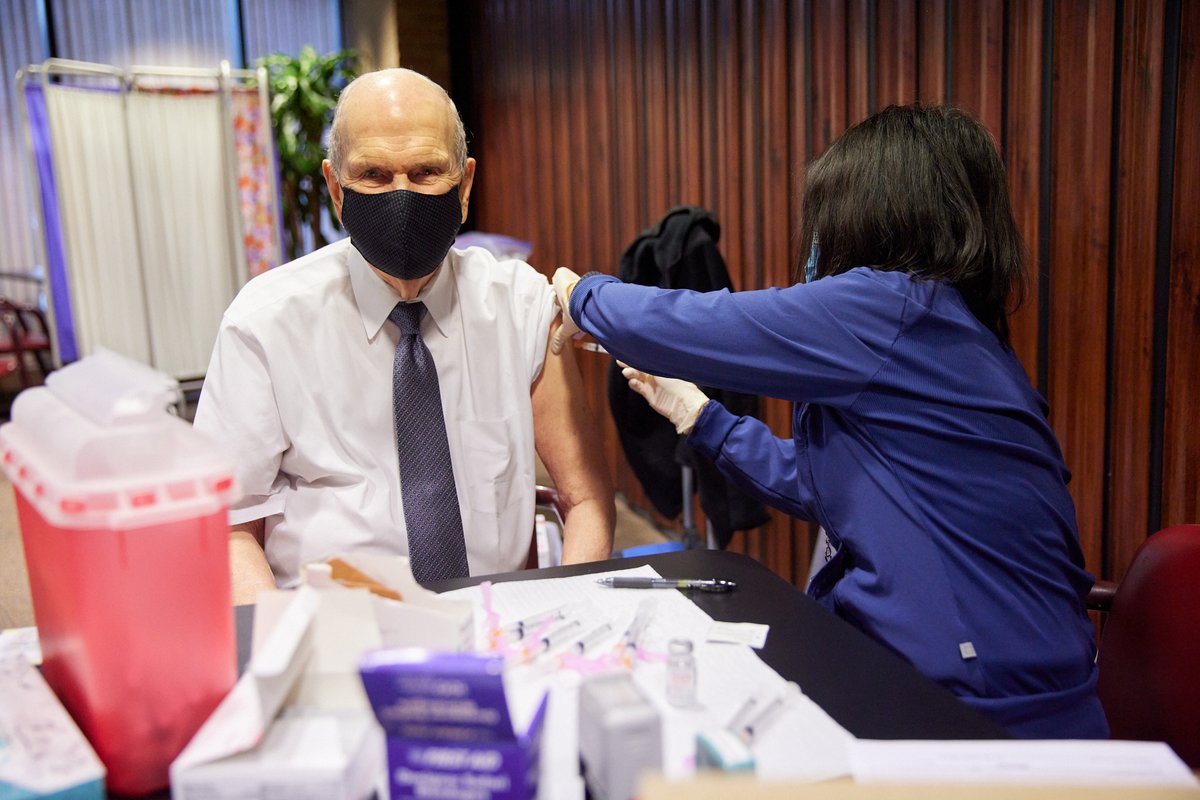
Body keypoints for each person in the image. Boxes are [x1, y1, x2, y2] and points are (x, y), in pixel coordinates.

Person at [551, 105, 1107, 739]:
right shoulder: (953, 333)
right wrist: (702, 418)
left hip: (990, 717)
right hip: (983, 682)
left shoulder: (891, 306)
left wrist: (580, 294)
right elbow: (829, 486)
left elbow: (695, 322)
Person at [194, 68, 614, 603]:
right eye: (372, 175)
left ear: (463, 186)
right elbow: (228, 527)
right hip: (333, 630)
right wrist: (289, 648)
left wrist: (562, 615)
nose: (401, 196)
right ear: (335, 189)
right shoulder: (264, 325)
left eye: (425, 172)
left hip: (495, 623)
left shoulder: (521, 308)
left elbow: (585, 499)